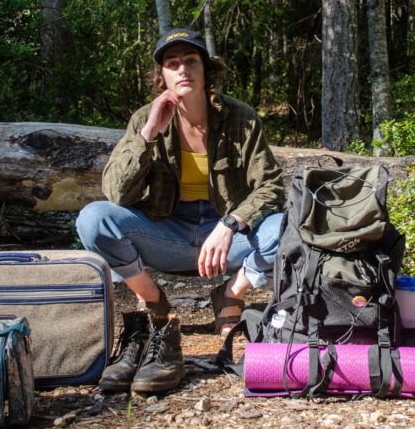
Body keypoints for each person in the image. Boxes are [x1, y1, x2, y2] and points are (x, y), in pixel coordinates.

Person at [76, 28, 285, 394]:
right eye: (172, 64)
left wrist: (231, 224)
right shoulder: (146, 117)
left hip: (225, 239)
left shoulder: (242, 118)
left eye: (191, 61)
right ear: (163, 77)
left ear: (207, 71)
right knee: (93, 219)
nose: (183, 69)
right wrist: (149, 132)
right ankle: (156, 301)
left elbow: (271, 187)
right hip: (165, 233)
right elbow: (115, 193)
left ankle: (231, 294)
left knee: (285, 228)